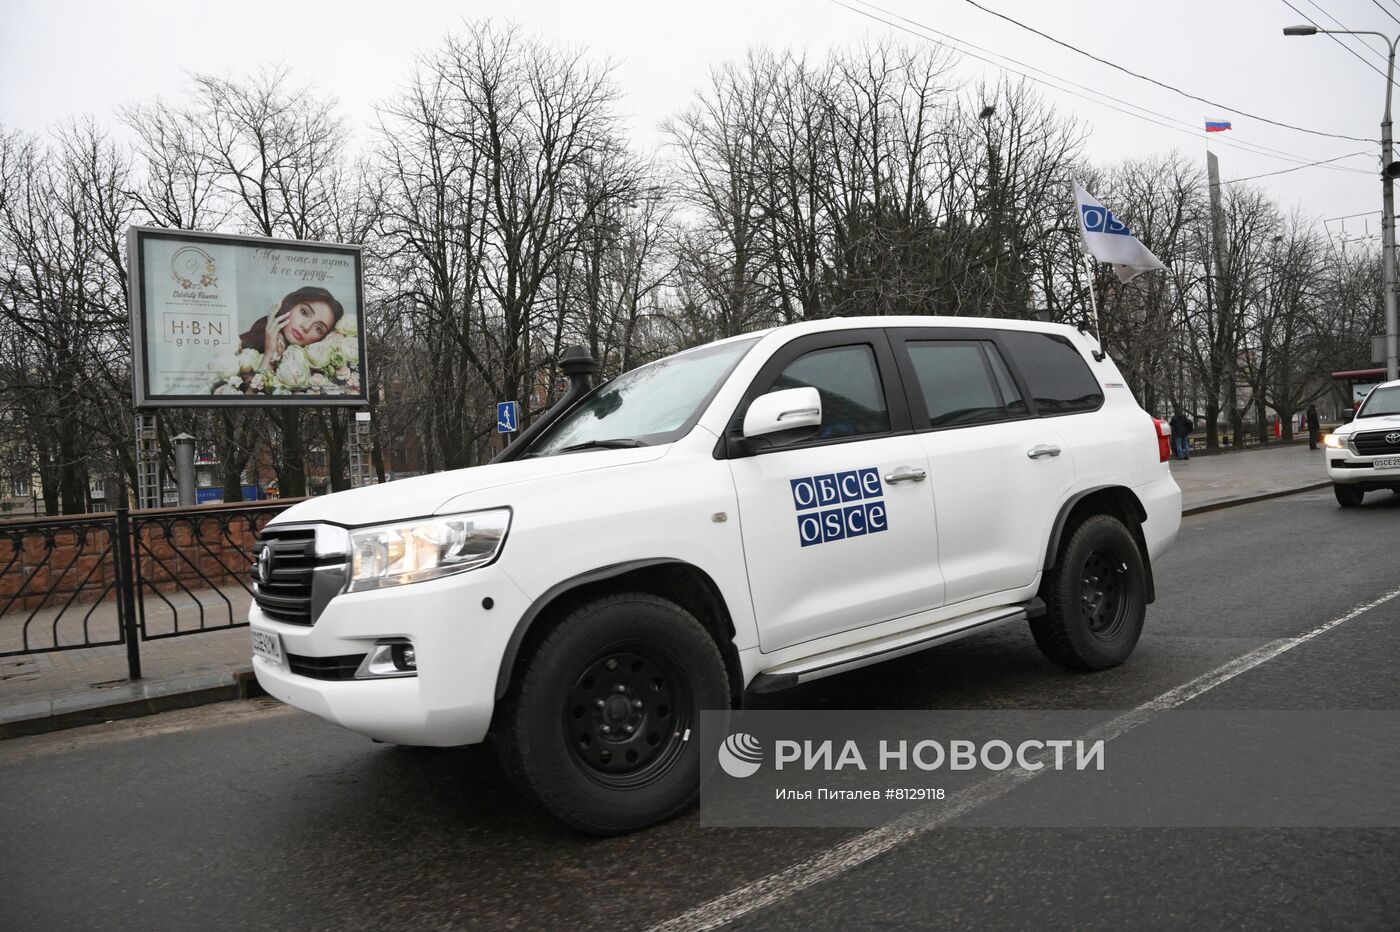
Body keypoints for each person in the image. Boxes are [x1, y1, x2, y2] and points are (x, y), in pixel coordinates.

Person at [237, 286, 345, 366]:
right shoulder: (244, 352)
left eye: (318, 328)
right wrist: (270, 351)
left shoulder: (309, 374)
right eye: (304, 312)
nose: (306, 327)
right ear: (290, 306)